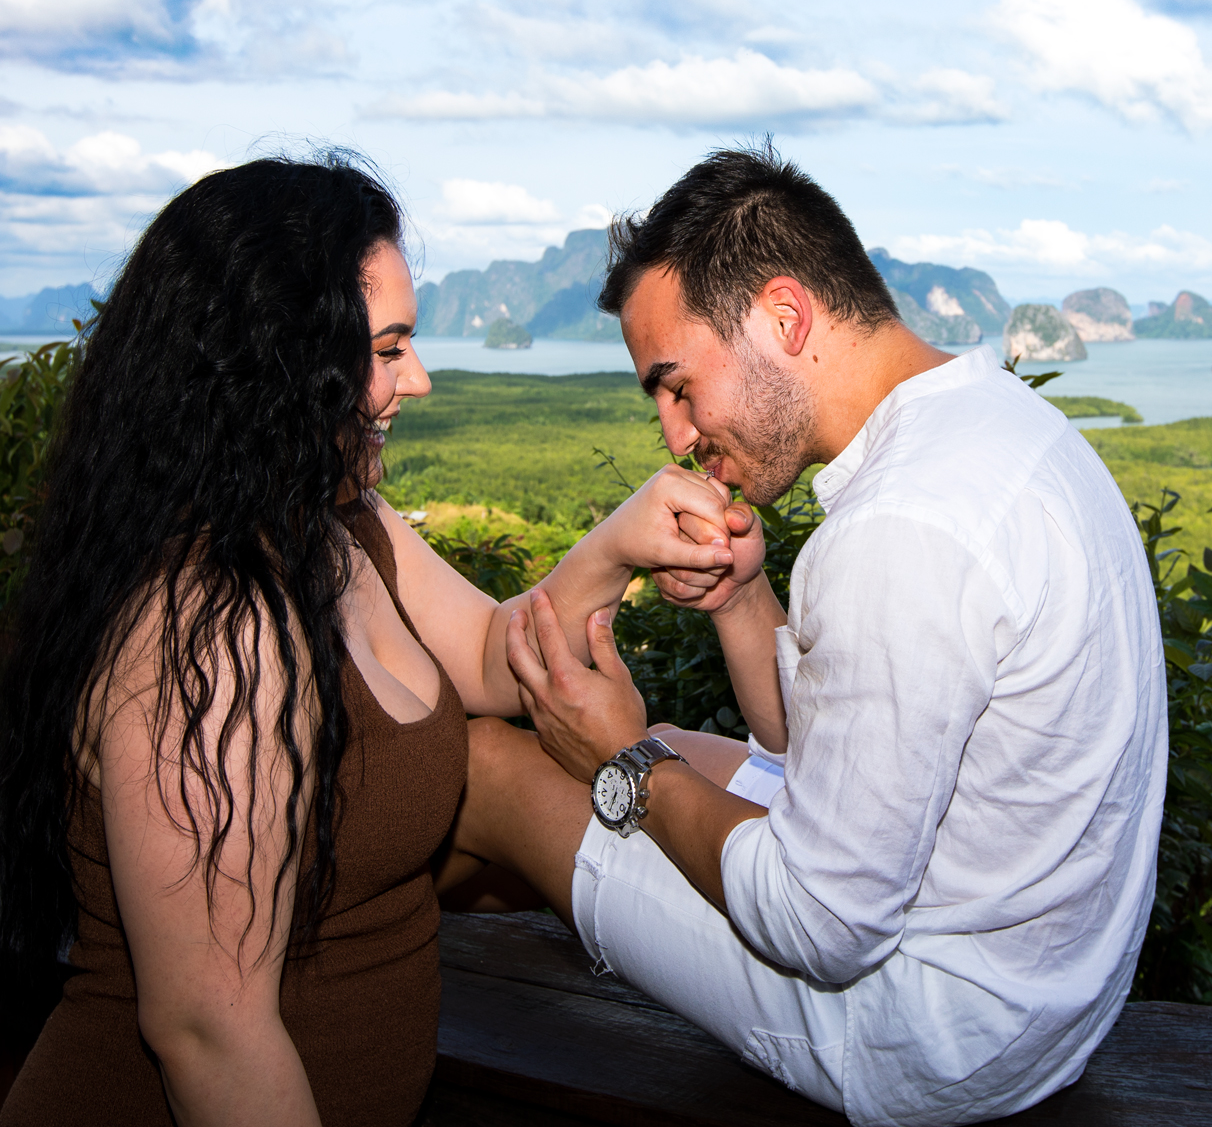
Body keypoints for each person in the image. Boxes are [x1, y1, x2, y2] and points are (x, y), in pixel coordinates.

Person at [0, 154, 743, 1127]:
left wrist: (619, 539)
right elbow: (210, 1029)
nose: (416, 379)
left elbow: (490, 657)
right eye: (387, 349)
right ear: (278, 358)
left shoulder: (346, 528)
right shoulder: (207, 627)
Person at [452, 145, 1168, 1127]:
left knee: (494, 761)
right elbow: (840, 754)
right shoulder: (994, 426)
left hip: (922, 1033)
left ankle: (363, 936)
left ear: (784, 317)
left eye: (677, 384)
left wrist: (622, 759)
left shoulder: (899, 527)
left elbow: (822, 923)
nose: (674, 435)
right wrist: (747, 602)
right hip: (1043, 998)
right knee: (675, 755)